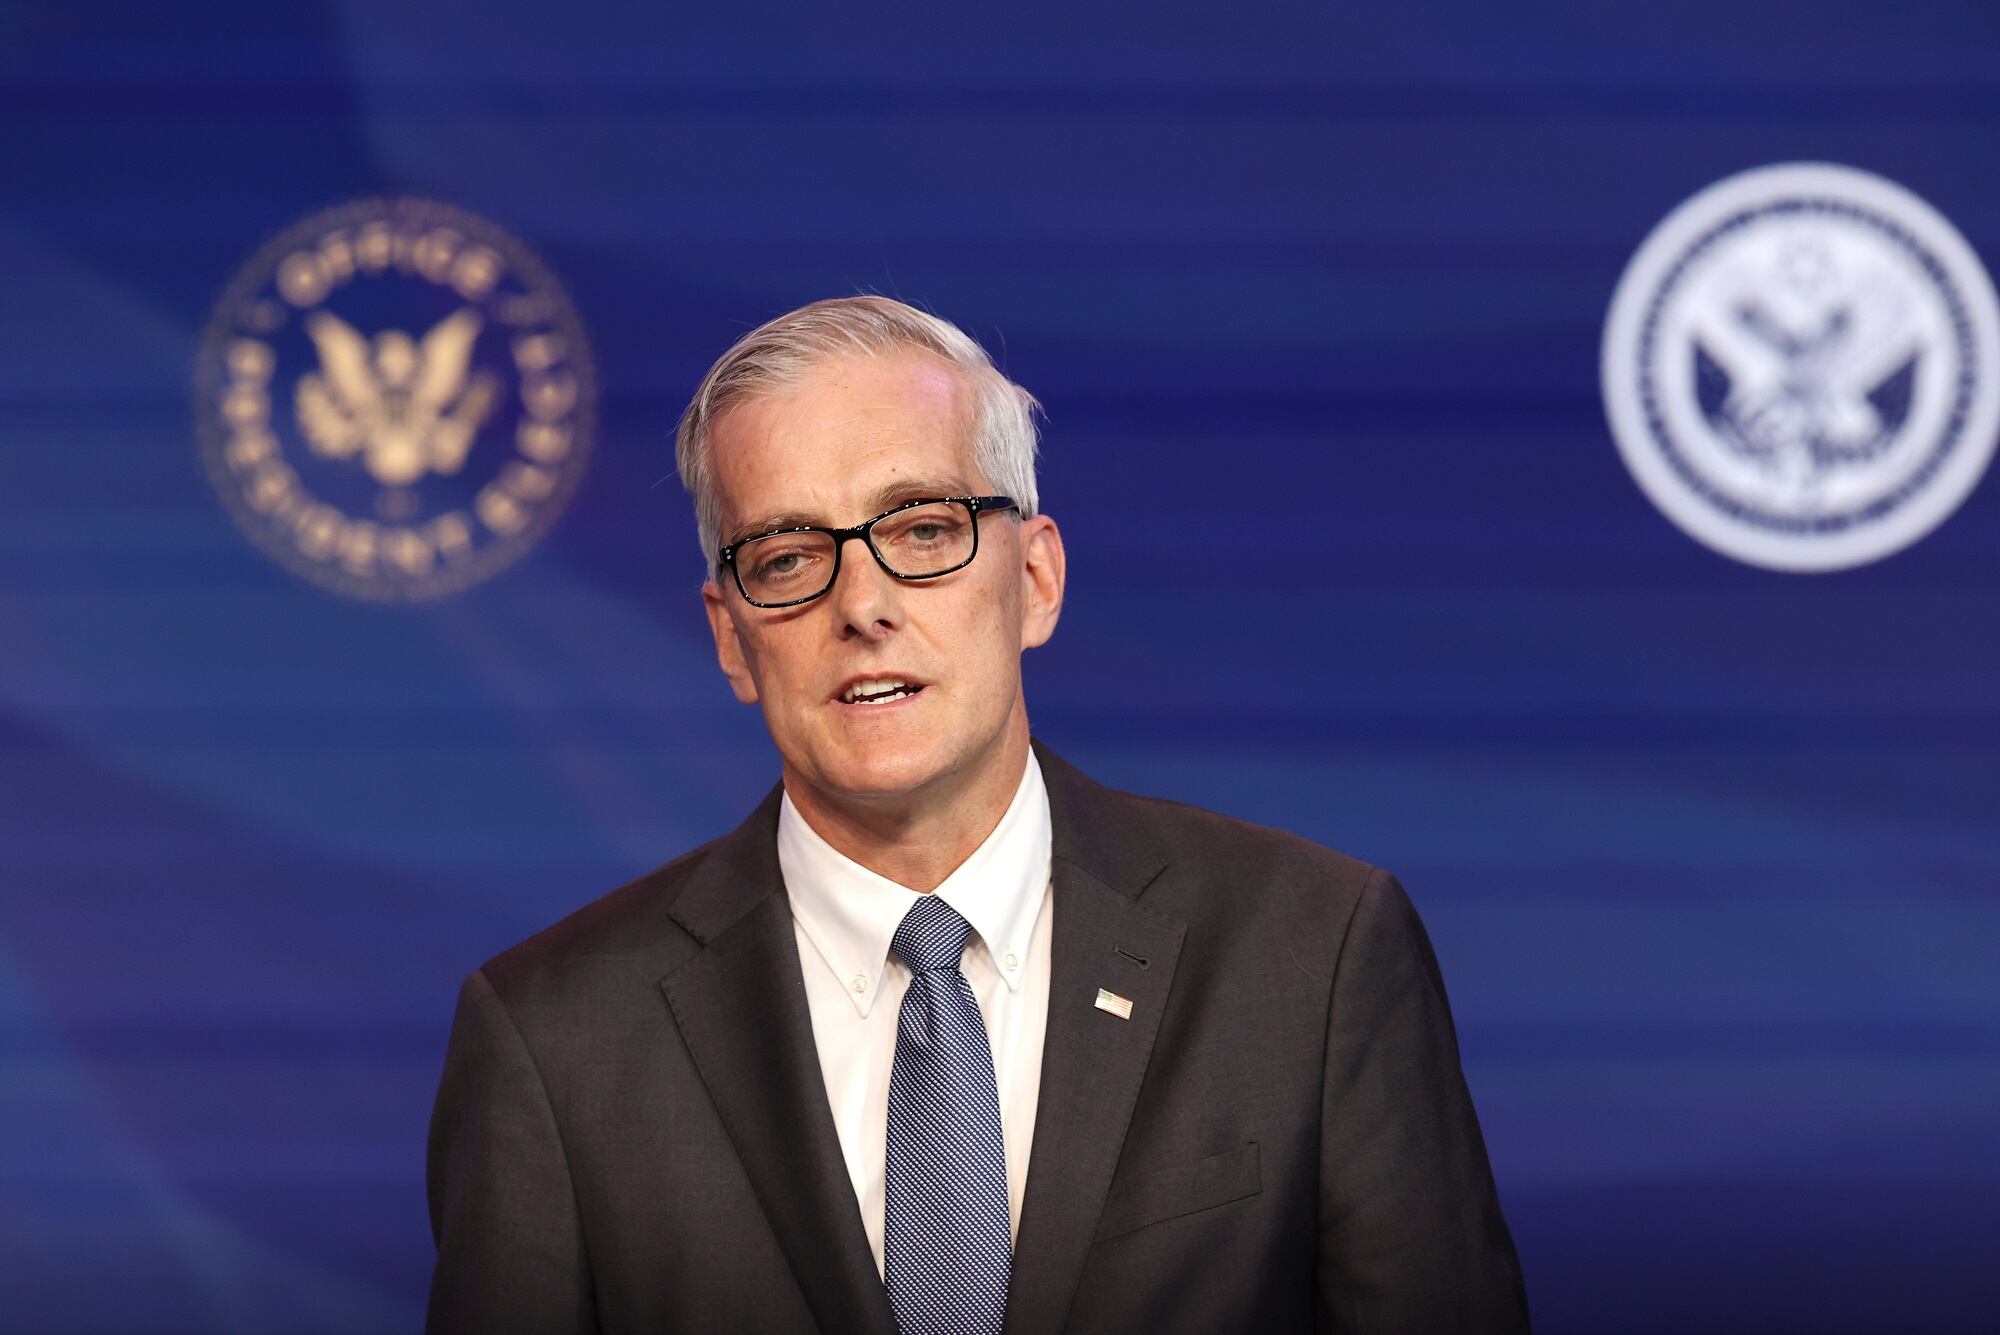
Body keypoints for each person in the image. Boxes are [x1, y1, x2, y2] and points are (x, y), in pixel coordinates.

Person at [425, 296, 1530, 1334]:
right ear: (730, 638)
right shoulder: (554, 1043)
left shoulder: (1311, 954)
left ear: (1035, 578)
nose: (861, 605)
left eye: (918, 528)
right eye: (789, 556)